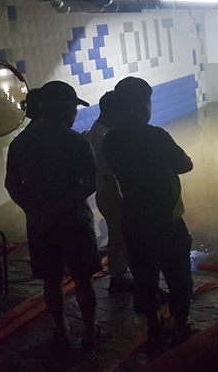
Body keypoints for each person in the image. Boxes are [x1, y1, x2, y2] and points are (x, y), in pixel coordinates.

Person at [5, 81, 101, 348]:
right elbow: (90, 182)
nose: (74, 115)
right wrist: (65, 205)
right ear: (64, 110)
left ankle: (61, 328)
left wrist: (34, 210)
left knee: (51, 279)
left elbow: (12, 183)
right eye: (72, 109)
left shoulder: (20, 143)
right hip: (74, 221)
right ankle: (90, 330)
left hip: (39, 225)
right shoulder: (75, 141)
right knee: (83, 279)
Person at [103, 77, 193, 356]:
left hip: (133, 216)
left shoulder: (111, 139)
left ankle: (153, 325)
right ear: (143, 104)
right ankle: (179, 327)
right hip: (165, 218)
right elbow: (186, 164)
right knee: (178, 276)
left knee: (144, 275)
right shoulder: (155, 135)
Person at [84, 91, 133, 293]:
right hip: (111, 192)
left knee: (117, 233)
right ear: (113, 111)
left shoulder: (92, 133)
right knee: (120, 234)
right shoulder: (105, 137)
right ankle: (119, 276)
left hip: (104, 192)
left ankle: (120, 273)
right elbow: (110, 172)